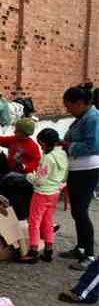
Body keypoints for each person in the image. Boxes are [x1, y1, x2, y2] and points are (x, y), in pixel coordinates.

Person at [59, 86, 99, 271]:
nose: (68, 110)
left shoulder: (93, 118)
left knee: (81, 211)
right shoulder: (82, 117)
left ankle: (89, 255)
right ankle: (81, 248)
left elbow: (93, 145)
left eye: (69, 106)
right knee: (76, 211)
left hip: (87, 169)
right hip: (77, 168)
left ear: (81, 103)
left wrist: (69, 146)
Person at [17, 129, 68, 264]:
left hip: (42, 193)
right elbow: (63, 176)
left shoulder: (48, 157)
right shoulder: (63, 154)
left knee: (34, 222)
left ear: (46, 143)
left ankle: (33, 251)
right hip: (55, 192)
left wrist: (29, 176)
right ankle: (48, 250)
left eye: (41, 144)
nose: (40, 147)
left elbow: (39, 180)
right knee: (48, 221)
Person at [0, 118, 41, 220]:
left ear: (24, 133)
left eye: (17, 130)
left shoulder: (32, 146)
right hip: (11, 173)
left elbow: (36, 162)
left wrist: (25, 166)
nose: (14, 131)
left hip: (23, 176)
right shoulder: (14, 139)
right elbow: (1, 140)